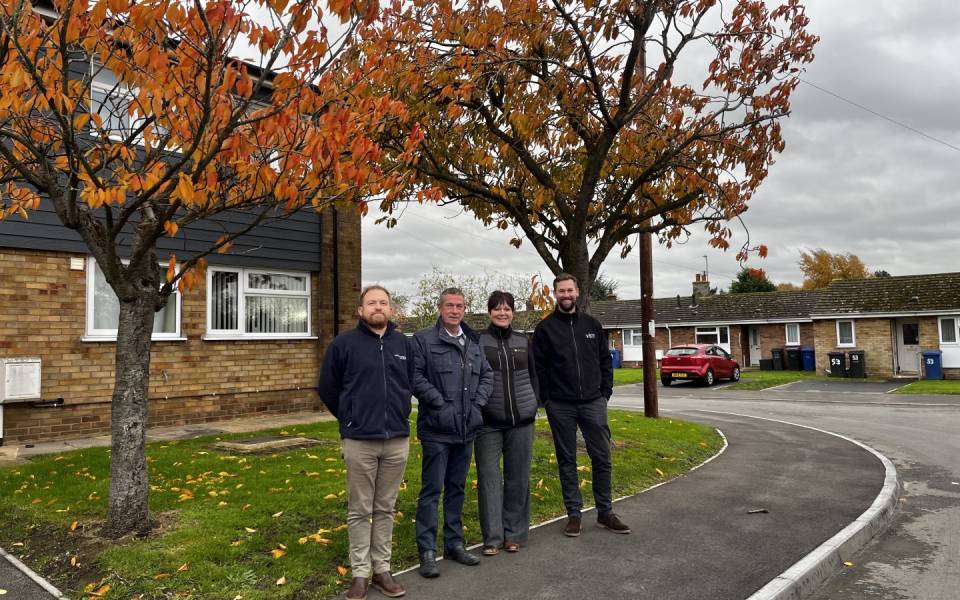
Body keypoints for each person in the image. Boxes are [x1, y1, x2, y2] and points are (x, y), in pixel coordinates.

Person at [318, 285, 413, 600]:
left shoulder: (403, 344)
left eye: (383, 302)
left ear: (391, 310)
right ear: (360, 310)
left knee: (385, 507)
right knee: (360, 509)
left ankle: (382, 570)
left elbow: (410, 382)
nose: (378, 307)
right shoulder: (344, 344)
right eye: (371, 303)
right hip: (360, 440)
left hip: (396, 439)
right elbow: (328, 388)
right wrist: (350, 419)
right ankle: (360, 573)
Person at [532, 273, 631, 537]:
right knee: (567, 460)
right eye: (561, 291)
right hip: (560, 405)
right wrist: (547, 400)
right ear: (555, 294)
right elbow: (538, 368)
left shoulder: (592, 325)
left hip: (593, 402)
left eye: (570, 290)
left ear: (577, 292)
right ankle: (574, 515)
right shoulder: (545, 329)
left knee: (602, 457)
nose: (566, 295)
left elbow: (604, 360)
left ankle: (605, 512)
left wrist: (605, 392)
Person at [412, 287, 494, 578]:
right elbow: (415, 377)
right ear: (440, 308)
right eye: (449, 305)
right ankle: (427, 550)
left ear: (465, 309)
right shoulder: (423, 339)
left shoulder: (472, 341)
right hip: (436, 430)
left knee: (457, 488)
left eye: (459, 306)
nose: (455, 310)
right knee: (432, 490)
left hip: (466, 429)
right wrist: (439, 404)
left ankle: (454, 544)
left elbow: (487, 375)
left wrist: (478, 405)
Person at [475, 291, 540, 556]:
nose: (502, 313)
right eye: (497, 309)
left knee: (518, 478)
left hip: (522, 421)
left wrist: (534, 403)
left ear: (513, 312)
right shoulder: (478, 340)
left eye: (507, 309)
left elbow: (535, 375)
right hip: (488, 423)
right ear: (489, 312)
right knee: (489, 479)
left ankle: (514, 534)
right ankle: (492, 538)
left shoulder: (523, 341)